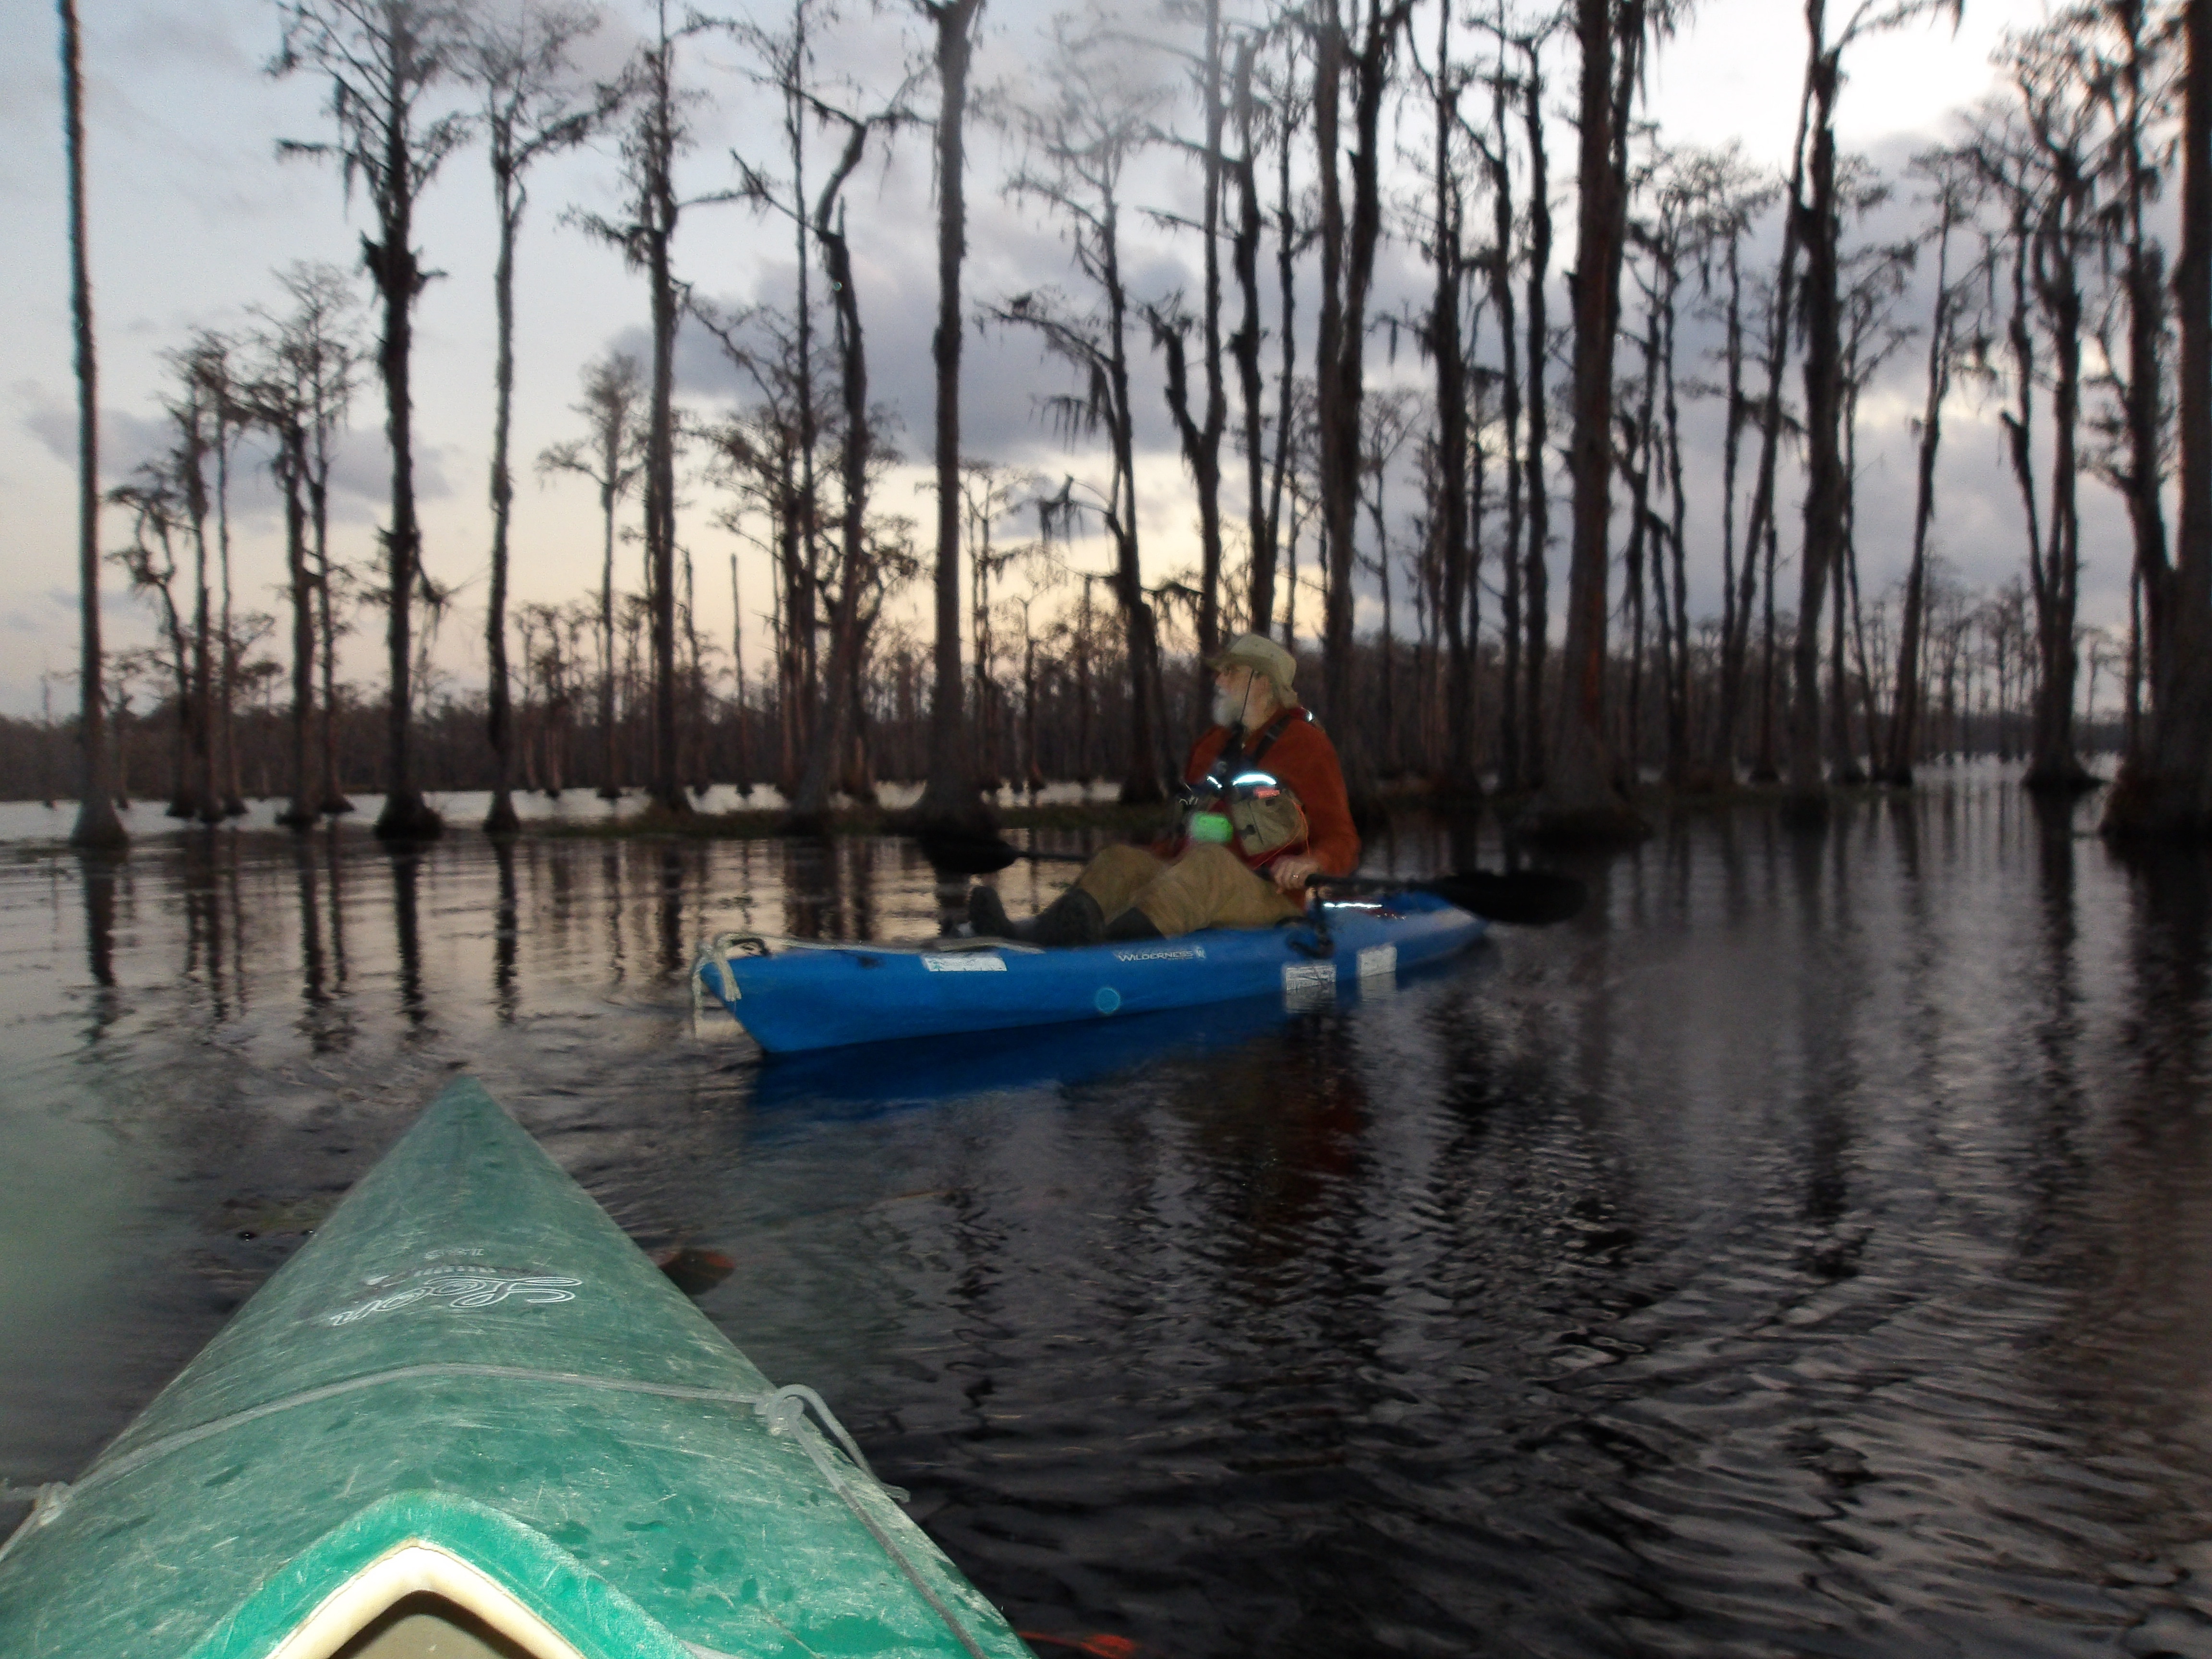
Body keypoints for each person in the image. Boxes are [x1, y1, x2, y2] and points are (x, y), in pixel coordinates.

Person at [968, 634, 1358, 944]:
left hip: (1266, 896)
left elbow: (1341, 837)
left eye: (1231, 672)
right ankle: (1032, 934)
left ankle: (1106, 945)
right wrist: (1147, 861)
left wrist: (1313, 863)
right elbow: (1185, 837)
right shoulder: (1211, 746)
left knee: (1210, 865)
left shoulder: (1307, 746)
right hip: (1189, 880)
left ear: (1262, 682)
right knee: (1121, 859)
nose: (1219, 681)